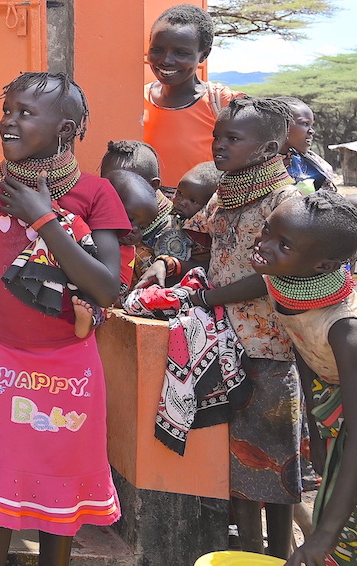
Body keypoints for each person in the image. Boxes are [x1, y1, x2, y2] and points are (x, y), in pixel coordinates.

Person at [0, 72, 126, 566]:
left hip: (72, 366)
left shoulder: (97, 193)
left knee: (60, 502)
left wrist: (43, 218)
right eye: (8, 110)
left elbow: (108, 288)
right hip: (6, 363)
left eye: (25, 113)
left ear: (64, 129)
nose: (9, 121)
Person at [179, 97, 306, 554]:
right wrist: (170, 267)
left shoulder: (287, 203)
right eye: (216, 136)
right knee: (240, 467)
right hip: (224, 345)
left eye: (232, 139)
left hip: (270, 350)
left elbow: (270, 274)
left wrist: (208, 297)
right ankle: (248, 554)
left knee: (276, 466)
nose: (218, 145)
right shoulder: (226, 191)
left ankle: (279, 555)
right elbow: (201, 246)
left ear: (268, 147)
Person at [250, 192, 357, 566]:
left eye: (282, 244)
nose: (264, 245)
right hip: (334, 407)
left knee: (345, 537)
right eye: (266, 231)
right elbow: (303, 348)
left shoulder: (345, 329)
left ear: (322, 265)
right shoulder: (287, 280)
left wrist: (320, 540)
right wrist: (320, 435)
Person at [143, 4, 242, 193]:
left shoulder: (223, 102)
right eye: (157, 50)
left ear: (203, 54)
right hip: (146, 215)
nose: (166, 60)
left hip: (203, 216)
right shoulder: (137, 100)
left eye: (181, 53)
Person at [107, 169, 192, 289]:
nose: (135, 230)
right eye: (130, 219)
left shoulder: (136, 254)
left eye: (142, 227)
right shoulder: (88, 237)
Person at [277, 96, 334, 195]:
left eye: (311, 125)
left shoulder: (315, 165)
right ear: (281, 125)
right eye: (305, 123)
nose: (311, 131)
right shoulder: (256, 166)